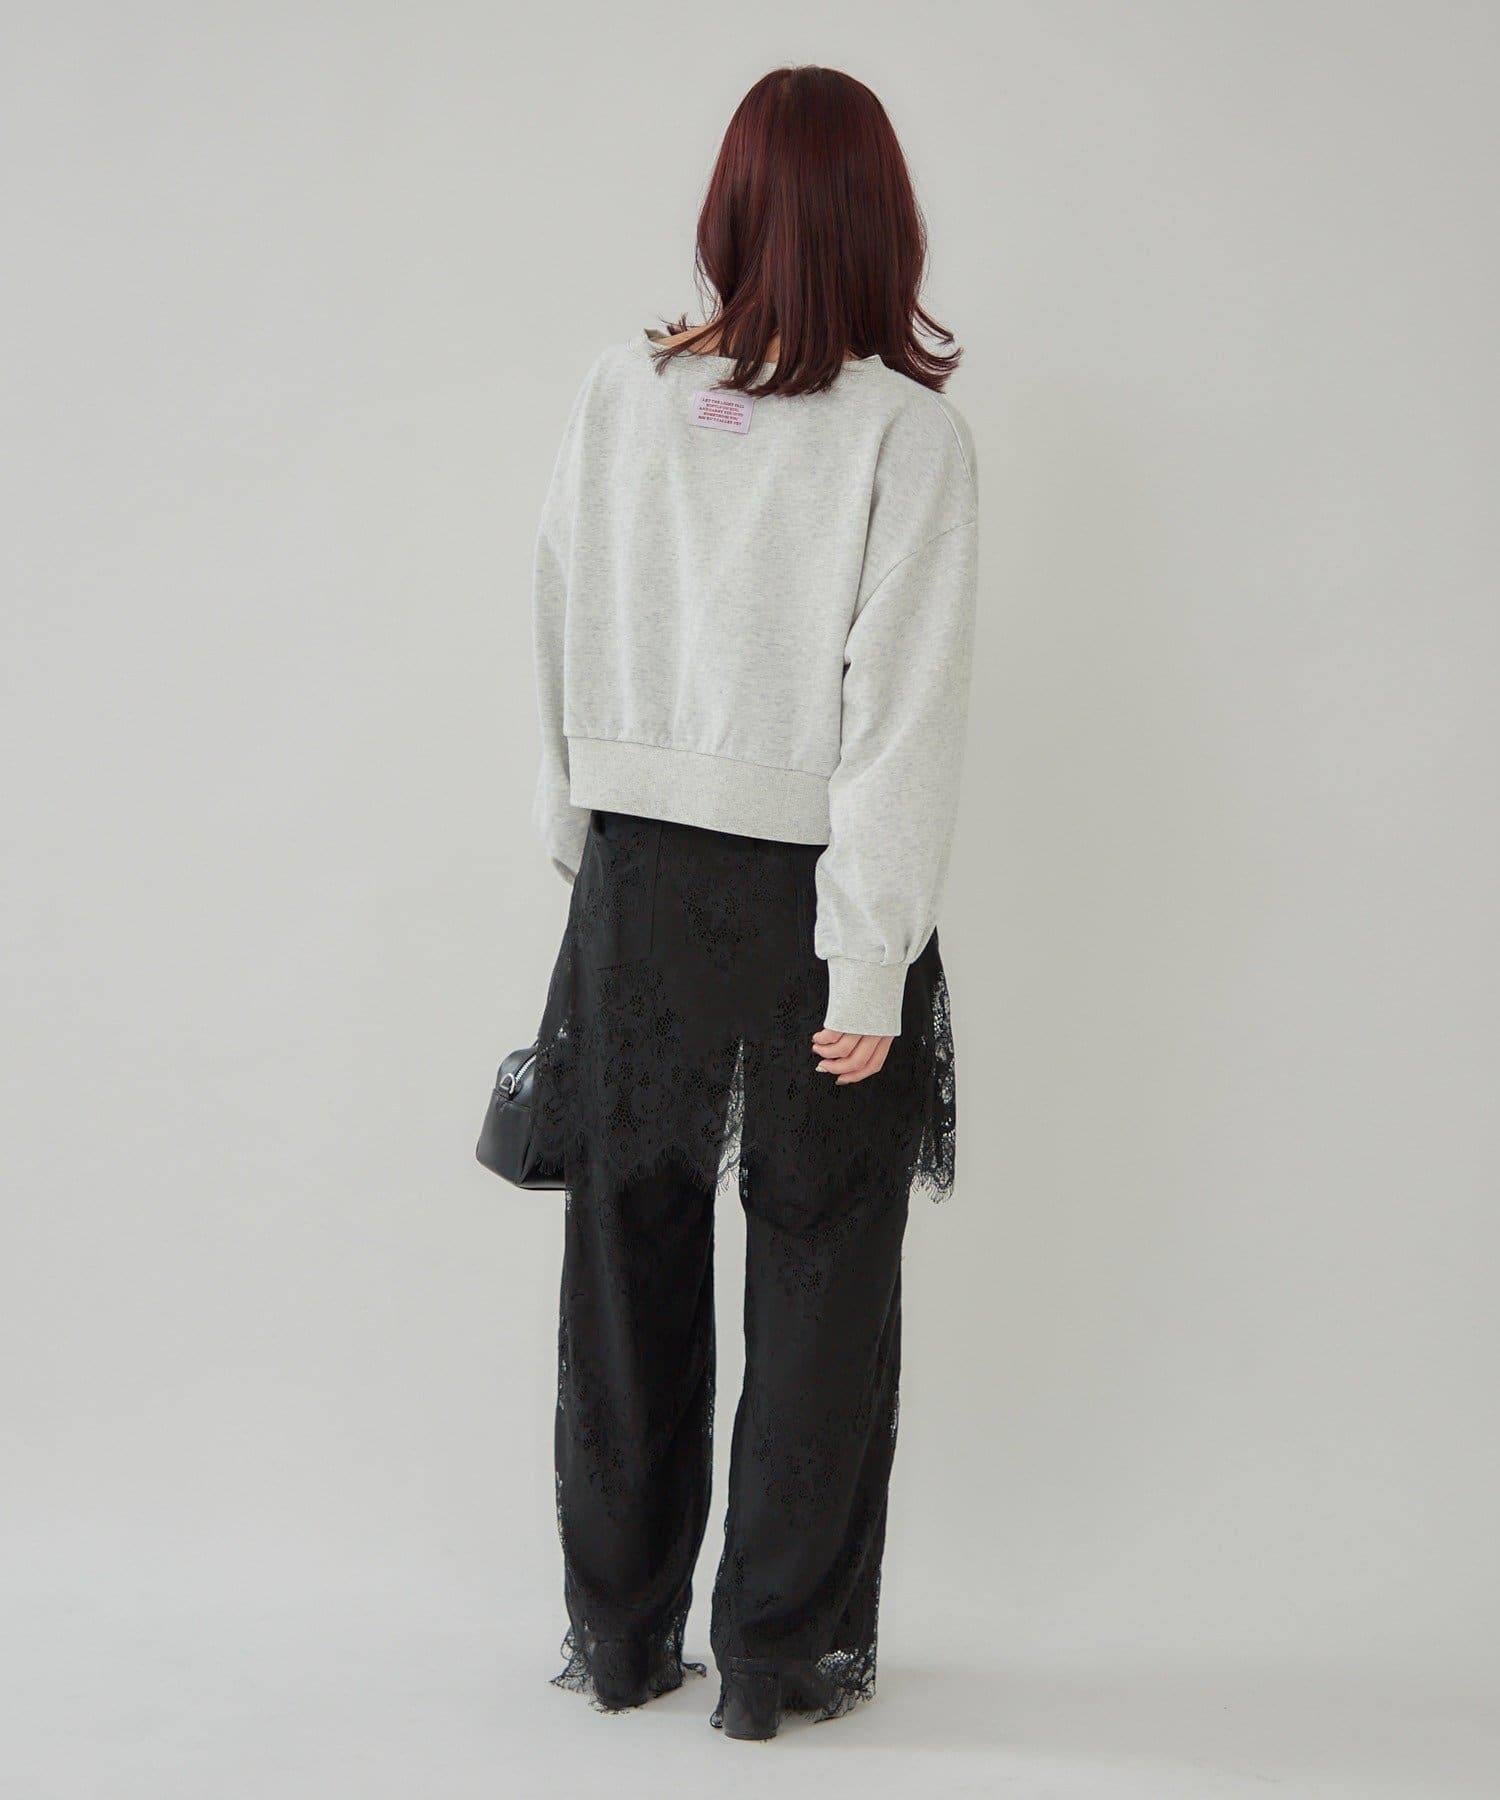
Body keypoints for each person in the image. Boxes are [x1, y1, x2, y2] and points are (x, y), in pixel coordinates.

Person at [525, 64, 978, 1741]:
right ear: (883, 223)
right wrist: (869, 956)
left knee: (623, 1272)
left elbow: (556, 619)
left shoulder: (621, 388)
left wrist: (582, 850)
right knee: (821, 1273)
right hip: (807, 894)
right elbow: (898, 713)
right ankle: (773, 1658)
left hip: (636, 886)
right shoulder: (906, 434)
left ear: (728, 209)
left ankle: (621, 1636)